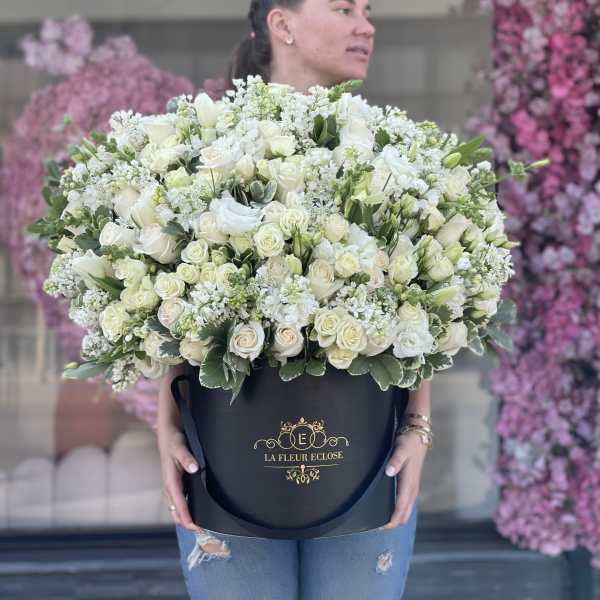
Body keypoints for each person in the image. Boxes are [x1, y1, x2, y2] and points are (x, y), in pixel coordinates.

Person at [156, 1, 432, 598]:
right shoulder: (208, 149)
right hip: (228, 452)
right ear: (282, 24)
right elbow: (174, 298)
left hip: (363, 452)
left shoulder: (391, 156)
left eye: (367, 10)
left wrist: (419, 425)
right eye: (343, 7)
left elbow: (419, 306)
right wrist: (166, 420)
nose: (366, 25)